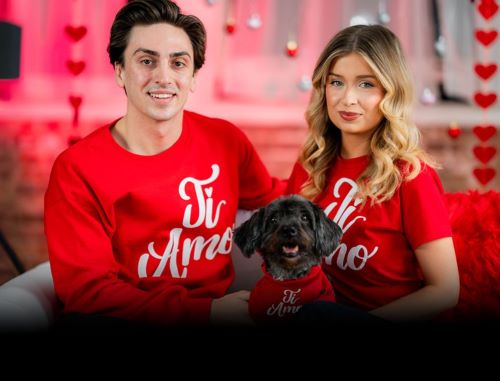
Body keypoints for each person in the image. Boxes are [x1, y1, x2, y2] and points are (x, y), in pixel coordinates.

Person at [44, 0, 284, 328]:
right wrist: (207, 313)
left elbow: (279, 197)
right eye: (146, 61)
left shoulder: (225, 141)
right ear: (120, 71)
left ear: (193, 76)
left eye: (178, 63)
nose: (163, 77)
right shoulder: (77, 169)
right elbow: (88, 293)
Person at [286, 24, 459, 322]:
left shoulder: (410, 176)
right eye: (336, 82)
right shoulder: (310, 165)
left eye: (366, 84)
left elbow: (445, 289)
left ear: (391, 92)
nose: (347, 99)